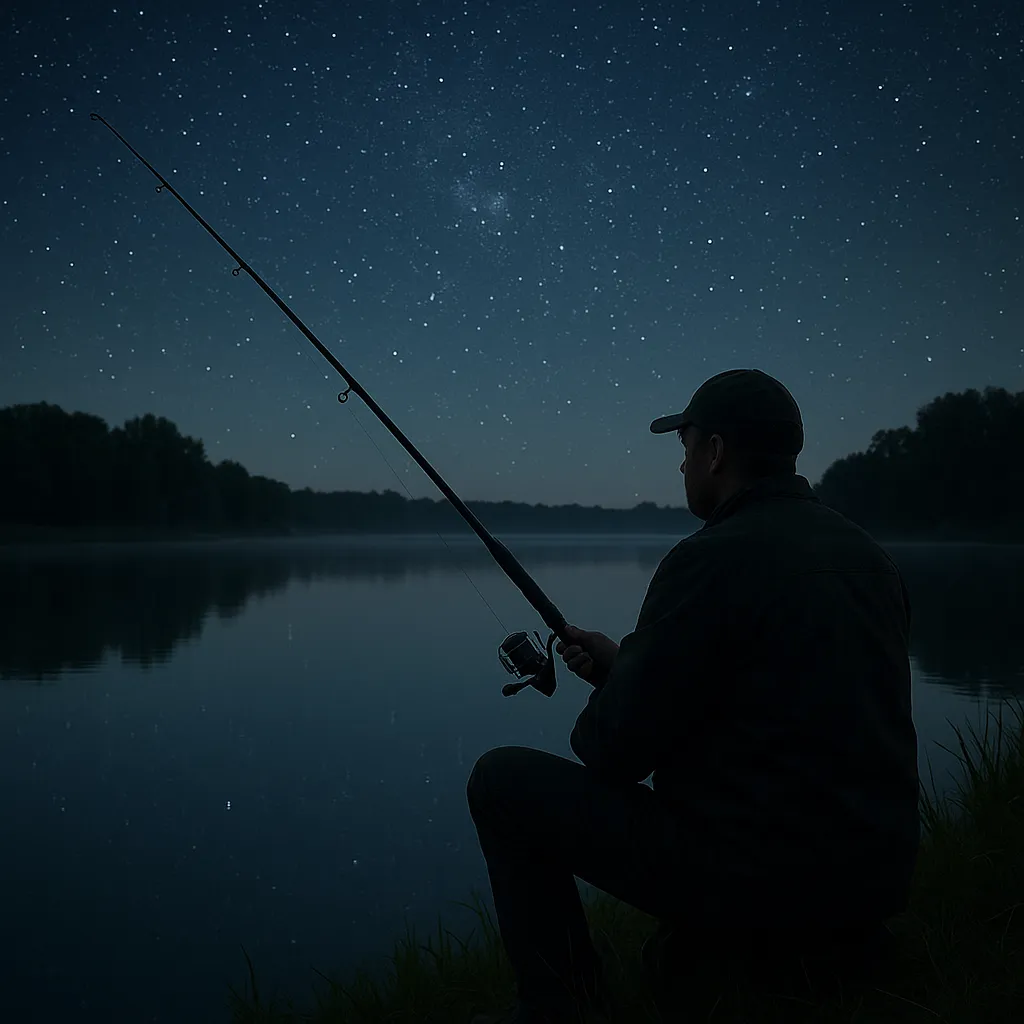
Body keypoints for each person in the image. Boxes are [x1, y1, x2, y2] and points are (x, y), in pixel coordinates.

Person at [467, 369, 921, 1024]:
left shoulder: (707, 560)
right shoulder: (868, 557)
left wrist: (621, 691)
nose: (681, 465)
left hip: (764, 874)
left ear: (715, 453)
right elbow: (781, 702)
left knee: (502, 782)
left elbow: (610, 751)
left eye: (684, 447)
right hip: (873, 877)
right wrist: (626, 668)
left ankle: (558, 1009)